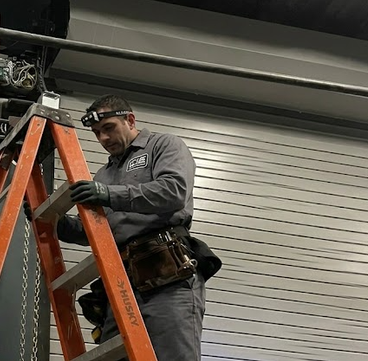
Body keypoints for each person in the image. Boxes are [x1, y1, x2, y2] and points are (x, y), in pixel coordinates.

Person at [25, 94, 221, 360]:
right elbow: (92, 230)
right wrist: (53, 221)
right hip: (122, 283)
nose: (104, 138)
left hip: (168, 278)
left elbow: (173, 191)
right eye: (97, 133)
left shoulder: (163, 145)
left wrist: (109, 195)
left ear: (130, 120)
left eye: (109, 128)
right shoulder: (104, 175)